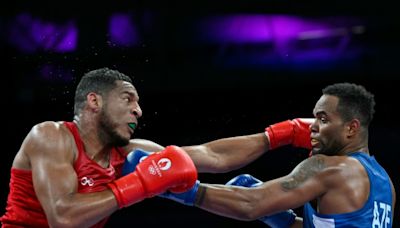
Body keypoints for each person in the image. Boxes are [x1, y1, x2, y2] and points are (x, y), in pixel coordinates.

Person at [0, 67, 314, 227]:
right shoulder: (51, 137)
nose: (138, 110)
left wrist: (280, 134)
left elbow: (213, 156)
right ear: (93, 101)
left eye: (139, 102)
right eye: (128, 98)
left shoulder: (129, 151)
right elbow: (63, 218)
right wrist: (136, 184)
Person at [125, 83, 396, 227]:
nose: (313, 126)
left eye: (323, 119)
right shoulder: (385, 183)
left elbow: (251, 204)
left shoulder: (329, 167)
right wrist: (284, 221)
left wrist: (181, 190)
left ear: (351, 128)